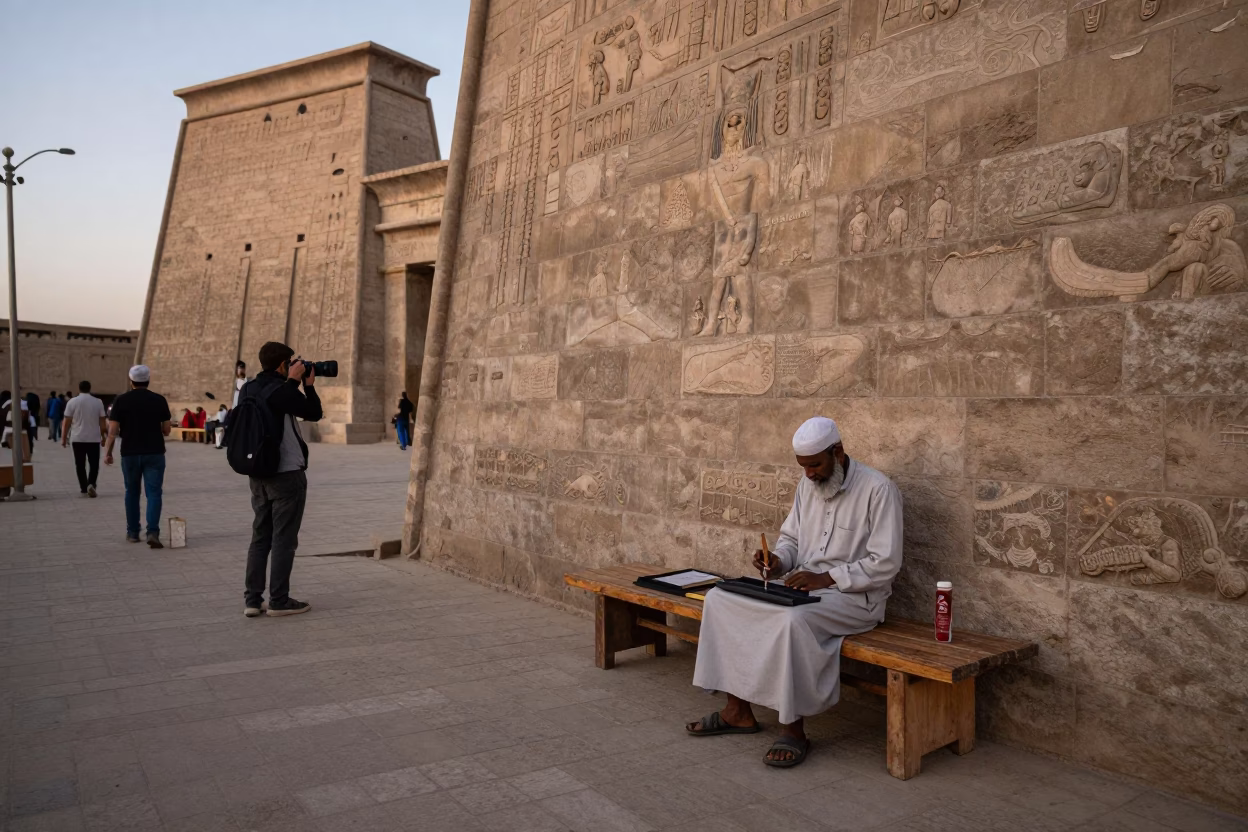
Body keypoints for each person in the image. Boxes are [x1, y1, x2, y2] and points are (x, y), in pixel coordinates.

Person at [685, 416, 903, 768]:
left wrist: (827, 578)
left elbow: (885, 562)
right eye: (804, 467)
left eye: (815, 465)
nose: (810, 475)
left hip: (856, 598)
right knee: (721, 599)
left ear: (838, 452)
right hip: (805, 589)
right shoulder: (808, 486)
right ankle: (737, 711)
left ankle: (793, 730)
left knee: (789, 620)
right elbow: (792, 540)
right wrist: (777, 560)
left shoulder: (879, 490)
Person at [241, 341, 322, 618]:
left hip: (258, 473)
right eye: (292, 361)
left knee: (260, 537)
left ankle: (253, 600)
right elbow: (313, 413)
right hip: (286, 474)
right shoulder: (282, 389)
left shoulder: (248, 388)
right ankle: (279, 600)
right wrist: (305, 385)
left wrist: (293, 382)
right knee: (284, 539)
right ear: (282, 365)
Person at [105, 366, 172, 547]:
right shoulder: (159, 400)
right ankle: (153, 532)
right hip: (155, 452)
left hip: (130, 453)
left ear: (131, 380)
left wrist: (108, 452)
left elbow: (112, 431)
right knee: (154, 493)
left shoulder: (121, 400)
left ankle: (133, 533)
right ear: (148, 379)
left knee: (132, 493)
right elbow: (166, 430)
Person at [61, 380, 108, 497]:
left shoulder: (72, 402)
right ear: (90, 388)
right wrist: (104, 437)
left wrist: (63, 438)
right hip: (93, 438)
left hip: (77, 438)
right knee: (94, 464)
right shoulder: (98, 402)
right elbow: (102, 422)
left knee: (80, 464)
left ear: (79, 388)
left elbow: (66, 422)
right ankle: (91, 484)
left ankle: (83, 487)